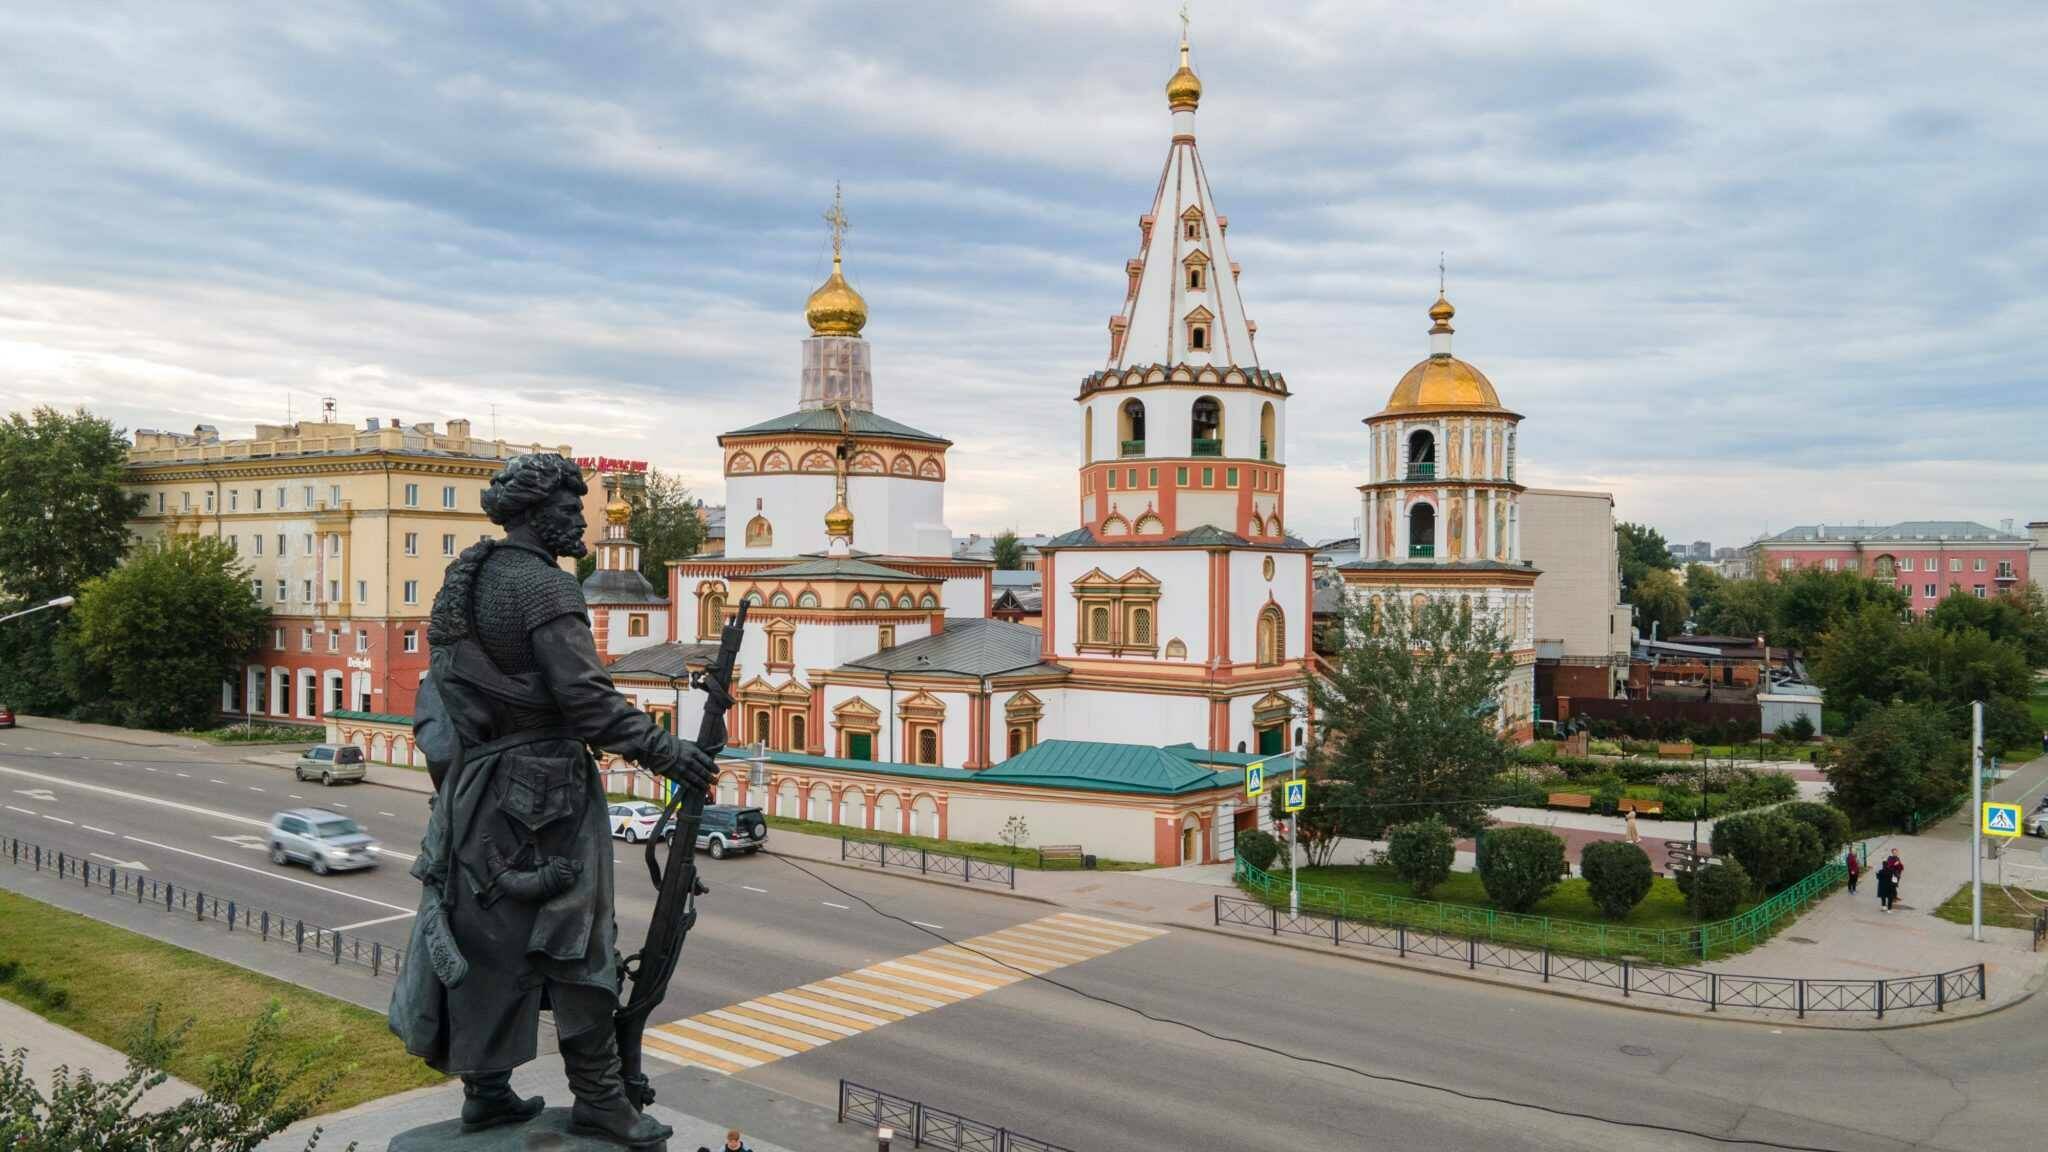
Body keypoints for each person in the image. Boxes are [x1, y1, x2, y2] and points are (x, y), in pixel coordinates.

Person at [388, 453, 720, 1149]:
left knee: (486, 943)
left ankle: (487, 1093)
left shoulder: (469, 575)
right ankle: (600, 1099)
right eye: (571, 507)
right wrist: (671, 755)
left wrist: (461, 778)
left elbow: (443, 691)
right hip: (547, 793)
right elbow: (586, 701)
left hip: (475, 788)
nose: (582, 519)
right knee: (576, 944)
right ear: (540, 513)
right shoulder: (545, 590)